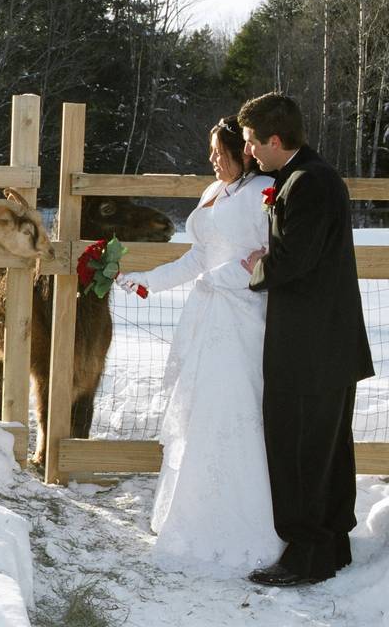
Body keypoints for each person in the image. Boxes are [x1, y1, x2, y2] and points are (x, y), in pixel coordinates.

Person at [116, 116, 284, 577]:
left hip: (241, 318)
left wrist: (222, 278)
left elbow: (270, 259)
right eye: (210, 150)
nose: (211, 159)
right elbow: (197, 257)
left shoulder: (262, 193)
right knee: (197, 414)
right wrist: (146, 282)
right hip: (206, 315)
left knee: (232, 414)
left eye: (219, 151)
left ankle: (244, 528)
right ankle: (189, 519)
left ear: (244, 152)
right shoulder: (215, 194)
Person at [238, 93, 374, 586]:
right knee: (327, 449)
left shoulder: (308, 183)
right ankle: (332, 545)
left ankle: (305, 555)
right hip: (327, 345)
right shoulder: (307, 177)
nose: (249, 151)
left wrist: (257, 265)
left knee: (298, 449)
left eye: (253, 142)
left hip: (310, 348)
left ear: (276, 140)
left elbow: (294, 261)